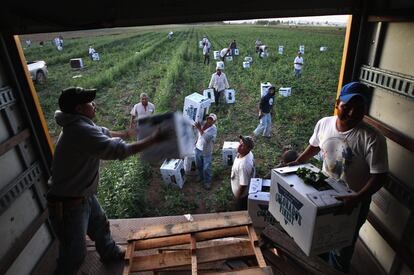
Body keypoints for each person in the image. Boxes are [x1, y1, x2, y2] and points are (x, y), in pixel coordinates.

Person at [47, 87, 167, 275]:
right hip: (69, 204)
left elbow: (104, 131)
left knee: (100, 224)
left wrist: (126, 133)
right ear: (79, 108)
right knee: (75, 254)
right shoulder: (80, 131)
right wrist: (153, 139)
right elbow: (119, 151)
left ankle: (110, 253)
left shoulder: (79, 123)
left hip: (82, 195)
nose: (94, 104)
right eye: (89, 102)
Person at [289, 82, 388, 272]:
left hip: (353, 203)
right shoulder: (324, 123)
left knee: (341, 250)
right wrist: (298, 162)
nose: (351, 113)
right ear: (337, 104)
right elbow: (315, 145)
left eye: (358, 109)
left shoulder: (372, 138)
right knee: (319, 239)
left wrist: (358, 197)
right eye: (347, 107)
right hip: (323, 192)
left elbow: (380, 176)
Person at [231, 135, 255, 210]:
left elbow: (244, 184)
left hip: (242, 196)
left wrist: (238, 198)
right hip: (239, 184)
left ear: (248, 149)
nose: (239, 146)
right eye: (240, 143)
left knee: (240, 210)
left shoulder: (243, 165)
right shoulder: (247, 153)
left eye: (243, 145)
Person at [194, 113, 218, 190]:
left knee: (206, 168)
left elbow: (206, 138)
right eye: (209, 119)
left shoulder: (213, 129)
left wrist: (199, 129)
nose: (209, 121)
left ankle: (208, 182)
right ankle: (201, 177)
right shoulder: (202, 123)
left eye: (212, 120)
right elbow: (196, 130)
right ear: (207, 118)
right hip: (198, 148)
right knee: (199, 165)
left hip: (207, 151)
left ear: (214, 122)